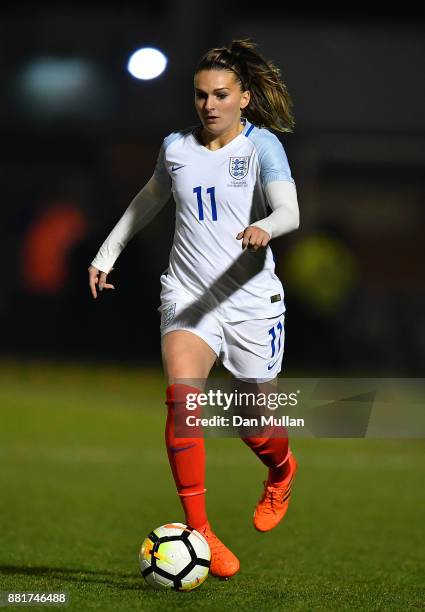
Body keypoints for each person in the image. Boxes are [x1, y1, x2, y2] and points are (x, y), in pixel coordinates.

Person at [88, 39, 300, 579]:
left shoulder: (262, 148)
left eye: (221, 95)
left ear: (244, 98)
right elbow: (149, 200)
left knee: (257, 425)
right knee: (183, 401)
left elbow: (290, 211)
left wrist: (264, 227)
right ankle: (200, 530)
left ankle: (281, 472)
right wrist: (107, 253)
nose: (209, 105)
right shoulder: (176, 147)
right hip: (187, 296)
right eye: (201, 95)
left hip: (250, 301)